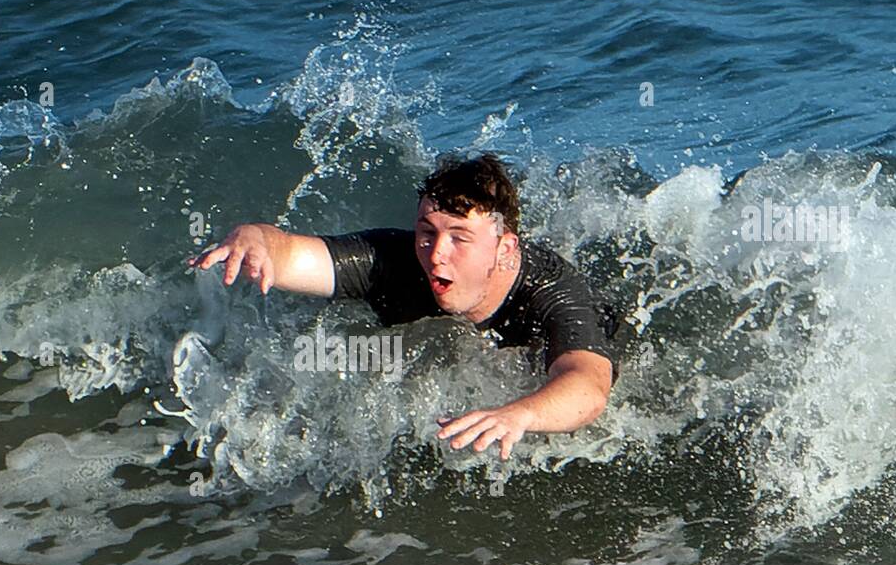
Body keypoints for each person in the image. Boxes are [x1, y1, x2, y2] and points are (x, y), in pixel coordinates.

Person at [191, 152, 619, 459]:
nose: (436, 254)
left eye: (459, 238)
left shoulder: (553, 290)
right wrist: (257, 239)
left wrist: (518, 415)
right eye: (427, 232)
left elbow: (588, 385)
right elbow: (292, 255)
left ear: (505, 248)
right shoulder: (394, 261)